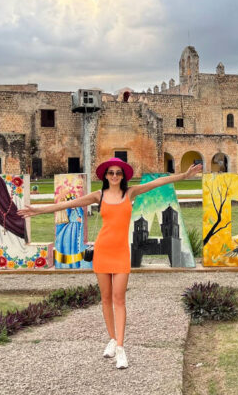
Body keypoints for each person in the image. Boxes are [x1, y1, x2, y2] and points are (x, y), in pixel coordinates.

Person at [18, 157, 202, 369]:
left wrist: (184, 176)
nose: (115, 176)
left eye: (118, 173)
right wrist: (38, 210)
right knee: (105, 299)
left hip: (121, 252)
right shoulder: (99, 195)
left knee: (119, 299)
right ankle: (113, 339)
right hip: (103, 251)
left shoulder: (130, 193)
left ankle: (121, 349)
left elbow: (157, 183)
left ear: (123, 176)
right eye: (111, 173)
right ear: (105, 176)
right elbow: (69, 203)